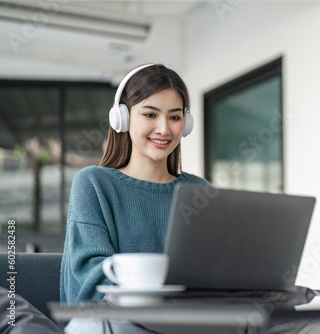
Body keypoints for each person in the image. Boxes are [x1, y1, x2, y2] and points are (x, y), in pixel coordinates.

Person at [60, 63, 210, 303]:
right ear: (123, 118)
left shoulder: (200, 192)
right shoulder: (93, 184)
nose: (164, 129)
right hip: (117, 321)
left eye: (174, 117)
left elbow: (214, 271)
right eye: (150, 114)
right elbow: (91, 277)